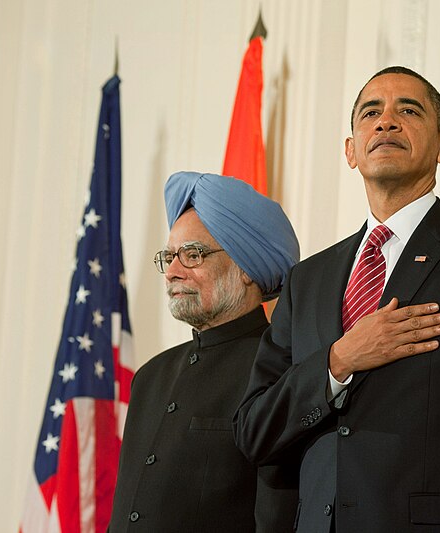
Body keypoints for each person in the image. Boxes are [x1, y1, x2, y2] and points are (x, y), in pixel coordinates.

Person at [235, 66, 440, 532]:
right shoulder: (308, 279)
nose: (386, 122)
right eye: (371, 112)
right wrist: (339, 360)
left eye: (409, 110)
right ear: (350, 150)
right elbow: (255, 431)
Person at [109, 171, 300, 532]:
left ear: (246, 268)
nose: (172, 273)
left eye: (192, 255)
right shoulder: (150, 377)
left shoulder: (280, 369)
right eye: (169, 257)